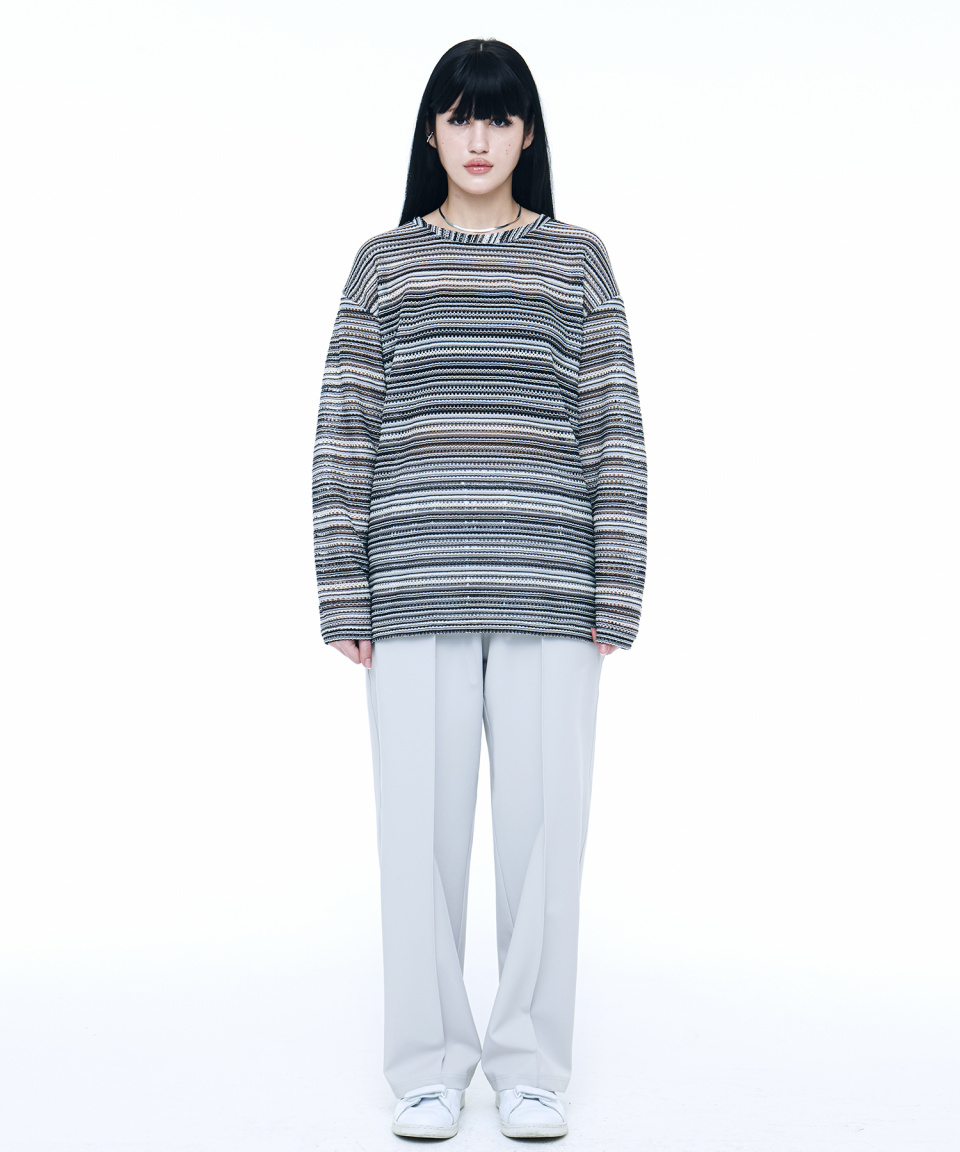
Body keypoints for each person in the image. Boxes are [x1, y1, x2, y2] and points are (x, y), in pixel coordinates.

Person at [312, 37, 647, 1140]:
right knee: (418, 843)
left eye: (498, 119)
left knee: (547, 845)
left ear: (527, 133)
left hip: (552, 590)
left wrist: (618, 586)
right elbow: (346, 426)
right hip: (413, 589)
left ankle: (531, 1065)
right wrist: (344, 590)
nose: (478, 138)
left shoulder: (576, 262)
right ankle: (428, 1067)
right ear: (431, 131)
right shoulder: (385, 265)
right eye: (460, 117)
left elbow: (612, 424)